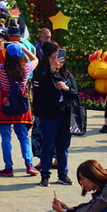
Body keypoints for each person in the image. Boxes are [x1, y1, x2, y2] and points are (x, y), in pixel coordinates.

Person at [0, 41, 39, 178]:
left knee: (5, 138)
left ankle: (8, 167)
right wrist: (23, 49)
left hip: (5, 106)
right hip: (20, 107)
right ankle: (29, 165)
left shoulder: (1, 69)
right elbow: (36, 59)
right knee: (23, 137)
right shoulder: (26, 68)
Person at [32, 41, 77, 187]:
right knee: (48, 147)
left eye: (60, 57)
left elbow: (75, 94)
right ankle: (45, 175)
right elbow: (40, 88)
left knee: (63, 147)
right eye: (53, 57)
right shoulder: (42, 72)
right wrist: (51, 70)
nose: (57, 60)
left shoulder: (67, 74)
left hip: (65, 116)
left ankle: (63, 174)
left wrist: (66, 89)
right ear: (47, 57)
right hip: (49, 116)